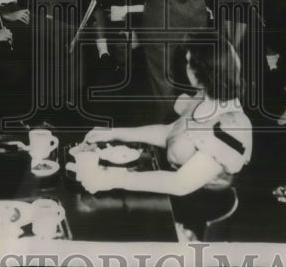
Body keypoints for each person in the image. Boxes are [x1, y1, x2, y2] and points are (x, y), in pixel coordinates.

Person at [77, 33, 252, 240]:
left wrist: (113, 178)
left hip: (196, 221)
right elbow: (170, 133)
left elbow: (180, 184)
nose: (186, 69)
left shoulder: (232, 126)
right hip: (176, 203)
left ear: (206, 71)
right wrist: (115, 132)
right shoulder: (206, 98)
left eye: (189, 64)